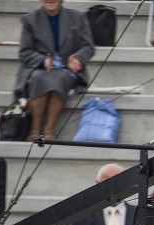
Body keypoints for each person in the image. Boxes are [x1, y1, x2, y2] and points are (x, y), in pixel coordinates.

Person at [15, 0, 95, 142]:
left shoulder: (78, 17)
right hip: (40, 68)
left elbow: (88, 46)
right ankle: (35, 128)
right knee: (39, 78)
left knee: (60, 78)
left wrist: (77, 58)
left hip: (66, 69)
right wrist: (42, 60)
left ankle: (49, 130)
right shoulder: (30, 20)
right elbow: (25, 52)